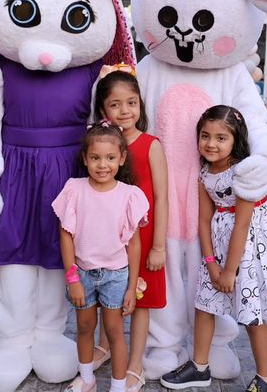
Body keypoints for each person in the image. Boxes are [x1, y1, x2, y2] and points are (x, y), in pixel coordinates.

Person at [160, 105, 267, 392]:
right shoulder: (205, 173)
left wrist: (229, 271)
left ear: (236, 140)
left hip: (248, 248)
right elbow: (203, 220)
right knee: (204, 304)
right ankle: (200, 366)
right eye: (205, 136)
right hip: (219, 246)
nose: (211, 143)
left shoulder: (244, 173)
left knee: (252, 314)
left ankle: (266, 379)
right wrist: (211, 262)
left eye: (221, 138)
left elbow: (242, 225)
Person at [52, 122, 149, 392]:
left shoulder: (129, 195)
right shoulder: (74, 189)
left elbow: (134, 245)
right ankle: (87, 379)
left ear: (121, 158)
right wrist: (73, 279)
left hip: (116, 276)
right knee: (84, 327)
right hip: (82, 274)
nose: (102, 165)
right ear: (85, 158)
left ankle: (118, 386)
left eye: (110, 158)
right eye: (95, 157)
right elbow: (66, 236)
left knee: (115, 331)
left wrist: (131, 286)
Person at [93, 69, 169, 392]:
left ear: (140, 105)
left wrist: (159, 246)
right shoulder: (99, 146)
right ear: (102, 110)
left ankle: (135, 362)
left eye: (131, 102)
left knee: (141, 299)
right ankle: (105, 345)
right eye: (115, 104)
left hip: (145, 237)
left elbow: (161, 197)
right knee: (106, 294)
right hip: (109, 238)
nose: (125, 110)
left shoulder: (151, 145)